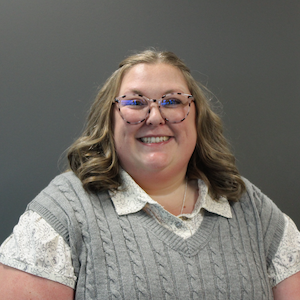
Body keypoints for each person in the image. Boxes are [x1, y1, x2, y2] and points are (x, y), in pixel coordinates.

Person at [0, 50, 299, 300]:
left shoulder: (252, 209)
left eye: (172, 101)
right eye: (135, 102)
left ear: (197, 116)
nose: (155, 117)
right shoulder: (64, 212)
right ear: (109, 119)